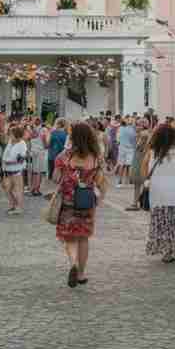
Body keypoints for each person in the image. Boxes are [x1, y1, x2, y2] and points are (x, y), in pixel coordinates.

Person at [54, 121, 108, 288]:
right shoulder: (96, 158)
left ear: (73, 137)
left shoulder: (65, 156)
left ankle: (73, 263)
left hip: (68, 202)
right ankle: (81, 274)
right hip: (87, 203)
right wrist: (100, 198)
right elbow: (102, 183)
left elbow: (55, 177)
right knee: (83, 237)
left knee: (70, 237)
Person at [144, 124, 175, 263]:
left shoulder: (151, 153)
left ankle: (166, 251)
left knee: (162, 223)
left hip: (158, 195)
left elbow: (145, 171)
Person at [1, 124, 28, 215]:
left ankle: (18, 208)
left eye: (11, 134)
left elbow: (22, 159)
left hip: (16, 170)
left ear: (16, 135)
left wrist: (10, 162)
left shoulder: (22, 144)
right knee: (7, 188)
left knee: (17, 189)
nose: (10, 135)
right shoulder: (10, 142)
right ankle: (13, 205)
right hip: (7, 170)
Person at [128, 118, 151, 210]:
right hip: (140, 159)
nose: (135, 127)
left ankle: (136, 203)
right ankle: (139, 202)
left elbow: (140, 147)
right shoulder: (142, 134)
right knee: (141, 183)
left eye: (138, 125)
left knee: (138, 183)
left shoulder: (144, 134)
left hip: (140, 160)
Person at [27, 118, 48, 196]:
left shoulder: (31, 130)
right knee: (38, 172)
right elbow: (45, 143)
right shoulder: (43, 130)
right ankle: (36, 189)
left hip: (33, 152)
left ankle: (32, 188)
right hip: (40, 152)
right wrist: (47, 145)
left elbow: (29, 141)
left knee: (34, 171)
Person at [47, 118, 68, 190]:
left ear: (58, 124)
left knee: (52, 172)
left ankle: (52, 189)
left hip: (52, 155)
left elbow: (48, 144)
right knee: (62, 173)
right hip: (62, 156)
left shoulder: (53, 133)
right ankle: (59, 188)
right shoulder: (66, 134)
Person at [115, 117, 137, 188]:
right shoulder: (133, 130)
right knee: (129, 165)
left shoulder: (120, 129)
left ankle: (119, 182)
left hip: (122, 148)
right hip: (130, 149)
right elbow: (134, 141)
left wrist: (119, 143)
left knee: (122, 165)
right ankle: (130, 181)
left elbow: (117, 140)